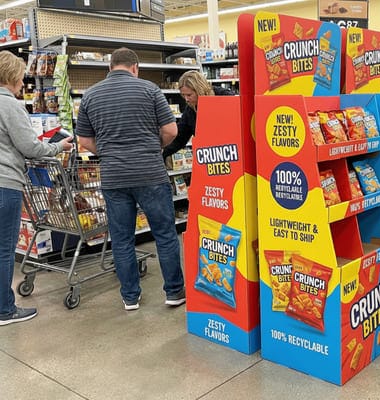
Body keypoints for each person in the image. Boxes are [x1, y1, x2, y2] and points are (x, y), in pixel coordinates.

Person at [75, 47, 186, 311]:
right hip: (150, 173)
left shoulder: (90, 95)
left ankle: (130, 297)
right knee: (165, 234)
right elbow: (171, 130)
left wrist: (110, 152)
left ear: (109, 68)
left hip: (114, 177)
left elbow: (84, 140)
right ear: (135, 68)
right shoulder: (149, 90)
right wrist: (152, 147)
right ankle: (173, 292)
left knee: (122, 238)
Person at [0, 50, 73, 325]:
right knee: (4, 250)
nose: (23, 82)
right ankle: (5, 310)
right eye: (21, 77)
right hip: (5, 183)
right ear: (13, 76)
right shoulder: (10, 105)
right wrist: (57, 146)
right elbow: (29, 147)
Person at [162, 70, 235, 160]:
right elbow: (180, 137)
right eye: (183, 95)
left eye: (189, 95)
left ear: (199, 90)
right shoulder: (190, 110)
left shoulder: (225, 97)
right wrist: (161, 153)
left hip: (231, 153)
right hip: (209, 156)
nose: (186, 99)